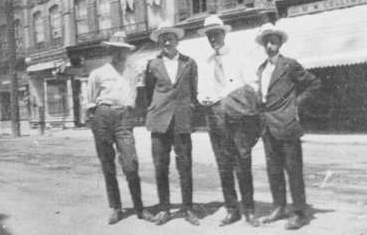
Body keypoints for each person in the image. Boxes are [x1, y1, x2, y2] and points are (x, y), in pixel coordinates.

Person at [197, 14, 261, 227]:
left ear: (223, 34)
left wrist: (231, 99)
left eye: (216, 34)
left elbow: (252, 84)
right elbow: (201, 90)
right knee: (224, 165)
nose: (212, 38)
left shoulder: (239, 56)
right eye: (209, 35)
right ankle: (232, 209)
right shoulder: (205, 62)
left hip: (238, 117)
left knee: (243, 163)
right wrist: (202, 97)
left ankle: (250, 210)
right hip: (215, 117)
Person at [255, 23, 321, 230]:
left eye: (273, 42)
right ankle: (279, 207)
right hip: (268, 126)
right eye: (266, 42)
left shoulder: (289, 65)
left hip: (287, 124)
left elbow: (314, 83)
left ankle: (300, 213)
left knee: (293, 170)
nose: (270, 46)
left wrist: (296, 105)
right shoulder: (261, 68)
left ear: (280, 44)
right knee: (274, 170)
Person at [86, 31, 154, 225]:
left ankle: (140, 208)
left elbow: (138, 91)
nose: (119, 54)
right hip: (103, 116)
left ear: (127, 52)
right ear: (110, 51)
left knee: (131, 164)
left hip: (124, 117)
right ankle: (116, 207)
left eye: (123, 50)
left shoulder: (133, 71)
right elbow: (90, 101)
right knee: (107, 164)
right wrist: (95, 121)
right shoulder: (98, 73)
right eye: (115, 50)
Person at [144, 21, 200, 226]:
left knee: (185, 165)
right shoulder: (152, 64)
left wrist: (189, 112)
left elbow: (193, 91)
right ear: (159, 42)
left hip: (182, 120)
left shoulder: (189, 63)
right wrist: (157, 110)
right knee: (161, 166)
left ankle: (188, 209)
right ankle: (164, 209)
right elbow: (149, 94)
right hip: (159, 121)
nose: (167, 41)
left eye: (171, 37)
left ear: (177, 40)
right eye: (163, 38)